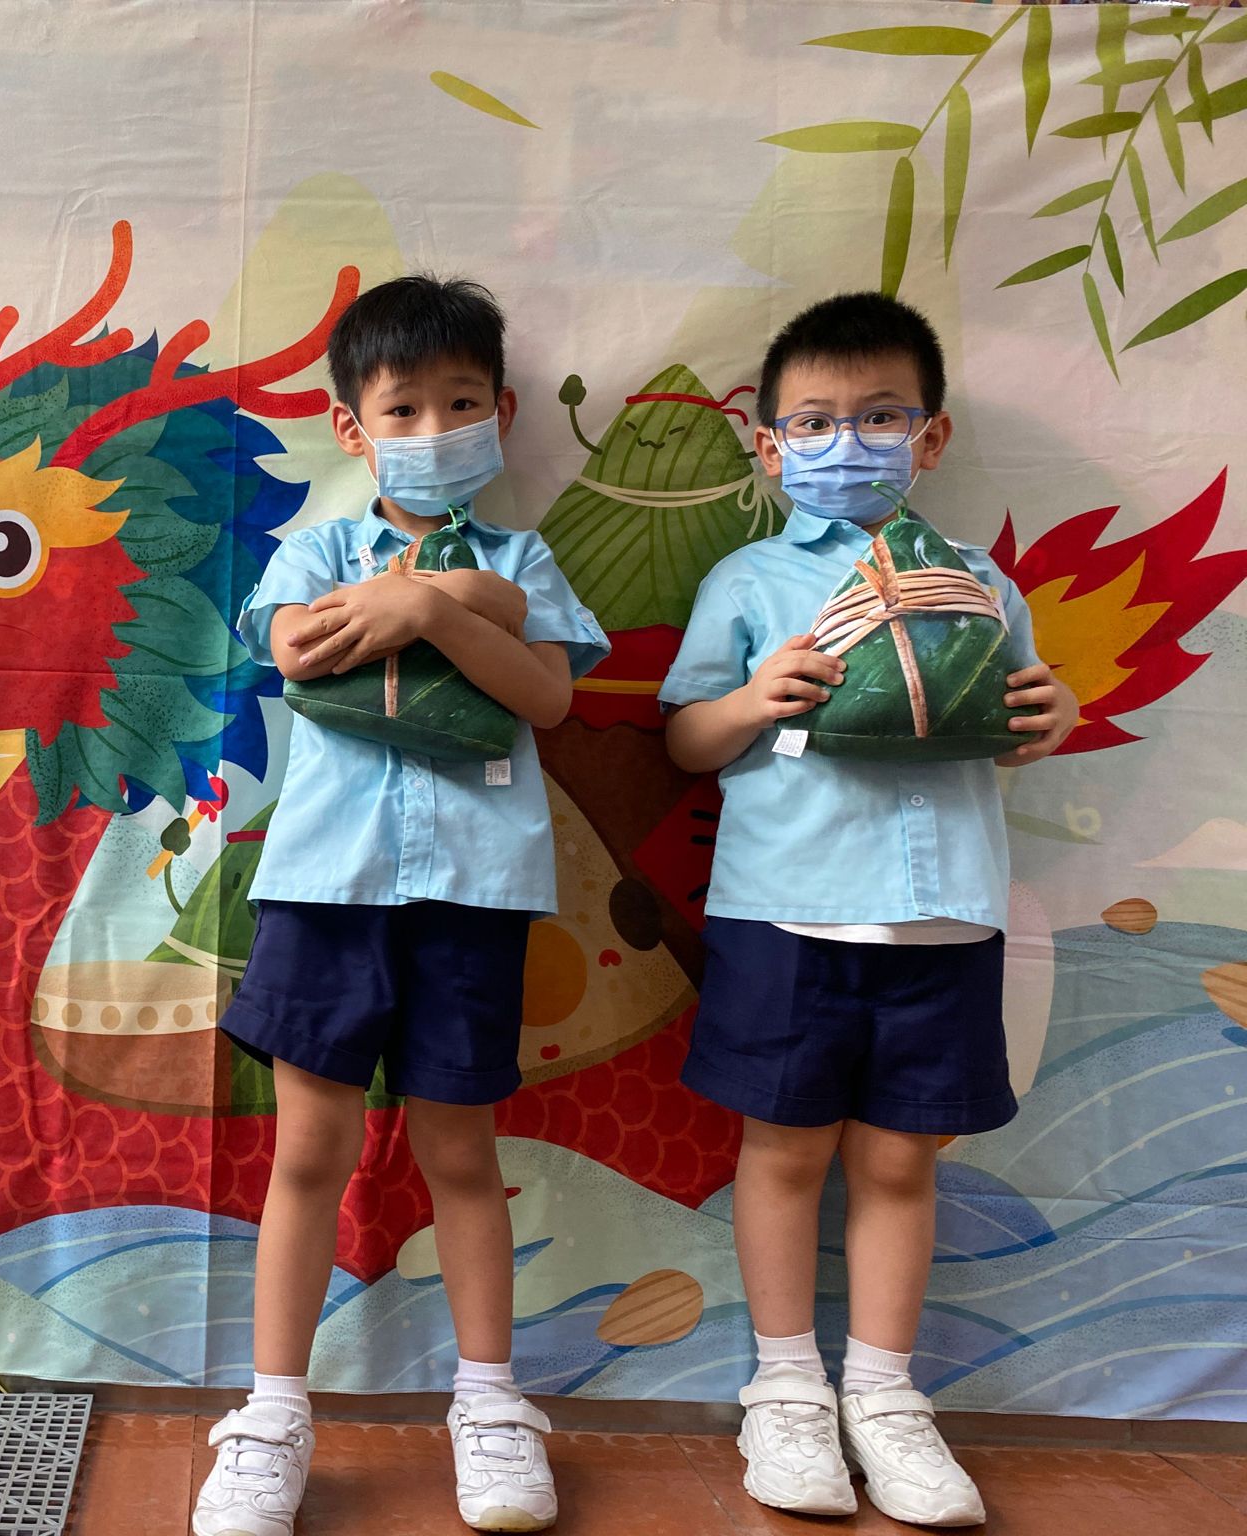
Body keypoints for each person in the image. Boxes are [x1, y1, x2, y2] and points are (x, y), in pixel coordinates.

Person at [190, 275, 609, 1536]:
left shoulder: (522, 560)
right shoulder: (320, 551)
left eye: (461, 403)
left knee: (460, 1156)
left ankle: (488, 1405)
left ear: (502, 413)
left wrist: (432, 603)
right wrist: (434, 604)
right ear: (350, 427)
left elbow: (545, 697)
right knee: (306, 1155)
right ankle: (271, 1415)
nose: (435, 429)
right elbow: (294, 650)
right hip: (326, 891)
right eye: (404, 408)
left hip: (474, 896)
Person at [660, 292, 1079, 1528]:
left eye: (879, 416)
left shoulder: (979, 586)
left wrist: (1045, 721)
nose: (845, 441)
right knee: (783, 1154)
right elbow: (683, 742)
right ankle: (785, 1389)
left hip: (944, 915)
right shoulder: (746, 580)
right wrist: (753, 699)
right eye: (812, 421)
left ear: (928, 436)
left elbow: (1009, 728)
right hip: (782, 912)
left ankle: (887, 1397)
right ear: (767, 443)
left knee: (900, 1162)